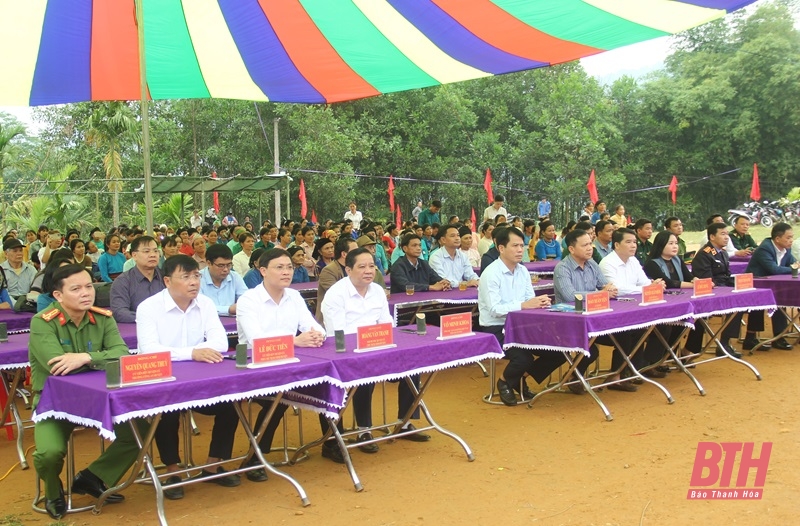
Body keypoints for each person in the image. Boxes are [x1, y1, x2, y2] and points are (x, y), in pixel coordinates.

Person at [30, 265, 146, 519]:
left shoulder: (103, 318)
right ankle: (52, 491)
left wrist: (85, 357)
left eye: (88, 286)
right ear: (58, 296)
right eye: (76, 289)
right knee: (49, 453)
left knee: (140, 434)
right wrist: (99, 360)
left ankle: (93, 477)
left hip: (101, 397)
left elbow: (122, 354)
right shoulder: (42, 323)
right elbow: (58, 365)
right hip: (57, 401)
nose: (86, 293)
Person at [137, 255, 240, 498]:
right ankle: (173, 470)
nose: (194, 282)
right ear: (167, 281)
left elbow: (221, 343)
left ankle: (213, 464)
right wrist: (191, 353)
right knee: (167, 410)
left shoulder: (204, 304)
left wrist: (195, 354)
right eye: (186, 277)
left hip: (201, 382)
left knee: (232, 402)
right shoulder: (149, 308)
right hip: (163, 380)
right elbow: (150, 349)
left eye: (196, 276)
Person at [322, 248, 430, 459]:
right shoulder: (336, 293)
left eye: (371, 266)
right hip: (348, 351)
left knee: (412, 365)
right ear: (348, 269)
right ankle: (364, 430)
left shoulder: (378, 290)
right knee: (365, 374)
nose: (368, 271)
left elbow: (387, 323)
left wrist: (380, 340)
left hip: (379, 344)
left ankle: (404, 422)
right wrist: (367, 341)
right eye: (362, 267)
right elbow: (337, 333)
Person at [236, 249, 326, 478]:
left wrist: (317, 335)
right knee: (279, 397)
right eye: (279, 267)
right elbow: (257, 342)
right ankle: (255, 459)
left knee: (327, 383)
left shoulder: (293, 296)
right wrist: (295, 341)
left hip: (289, 362)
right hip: (254, 365)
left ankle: (333, 442)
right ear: (263, 271)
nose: (286, 272)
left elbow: (313, 325)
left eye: (289, 267)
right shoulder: (248, 300)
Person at [552, 230, 638, 390]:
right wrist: (599, 293)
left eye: (590, 244)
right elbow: (570, 295)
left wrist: (609, 289)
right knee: (591, 349)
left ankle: (615, 376)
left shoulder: (592, 264)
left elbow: (605, 285)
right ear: (571, 249)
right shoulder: (562, 268)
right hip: (570, 321)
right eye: (584, 245)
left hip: (595, 318)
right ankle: (573, 376)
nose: (590, 248)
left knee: (626, 334)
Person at [478, 227, 552, 405]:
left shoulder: (522, 270)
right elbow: (495, 309)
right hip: (496, 327)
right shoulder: (490, 273)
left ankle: (519, 378)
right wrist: (525, 305)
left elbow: (529, 299)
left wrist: (539, 303)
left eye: (522, 246)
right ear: (501, 248)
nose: (521, 250)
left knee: (555, 350)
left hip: (521, 324)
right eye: (515, 246)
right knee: (523, 357)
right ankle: (504, 382)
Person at [688, 222, 744, 358]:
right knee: (735, 303)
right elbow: (707, 280)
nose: (727, 238)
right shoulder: (704, 254)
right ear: (712, 237)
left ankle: (725, 341)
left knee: (742, 299)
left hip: (723, 289)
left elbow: (726, 276)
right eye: (723, 234)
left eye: (727, 234)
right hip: (708, 293)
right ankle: (723, 343)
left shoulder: (723, 254)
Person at [743, 223, 798, 351]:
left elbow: (793, 264)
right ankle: (750, 338)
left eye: (792, 237)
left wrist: (795, 267)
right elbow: (773, 269)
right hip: (755, 284)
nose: (791, 241)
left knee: (781, 298)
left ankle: (779, 337)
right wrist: (794, 268)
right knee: (761, 301)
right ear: (777, 239)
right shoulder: (765, 248)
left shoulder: (787, 249)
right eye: (788, 237)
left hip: (773, 285)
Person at [110, 236, 165, 324]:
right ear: (134, 255)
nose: (153, 255)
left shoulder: (167, 278)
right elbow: (119, 312)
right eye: (146, 251)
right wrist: (148, 319)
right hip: (137, 328)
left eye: (155, 251)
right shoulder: (122, 281)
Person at [599, 229, 663, 296]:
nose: (633, 246)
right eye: (628, 242)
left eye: (635, 242)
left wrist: (656, 285)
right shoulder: (607, 263)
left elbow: (643, 281)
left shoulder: (633, 260)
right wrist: (647, 288)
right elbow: (616, 289)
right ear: (617, 245)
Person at [316, 237, 358, 323]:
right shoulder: (329, 270)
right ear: (344, 254)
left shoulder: (355, 268)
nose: (359, 254)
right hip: (332, 318)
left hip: (353, 314)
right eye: (355, 251)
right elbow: (338, 295)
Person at [200, 244, 248, 316]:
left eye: (229, 265)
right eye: (221, 266)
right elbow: (200, 307)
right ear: (208, 263)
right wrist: (229, 309)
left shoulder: (234, 277)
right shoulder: (197, 279)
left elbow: (247, 300)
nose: (226, 269)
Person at [1, 238, 37, 302]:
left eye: (20, 250)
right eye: (15, 251)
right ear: (6, 254)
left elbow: (36, 289)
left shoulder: (31, 269)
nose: (19, 253)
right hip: (7, 304)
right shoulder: (1, 270)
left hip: (27, 303)